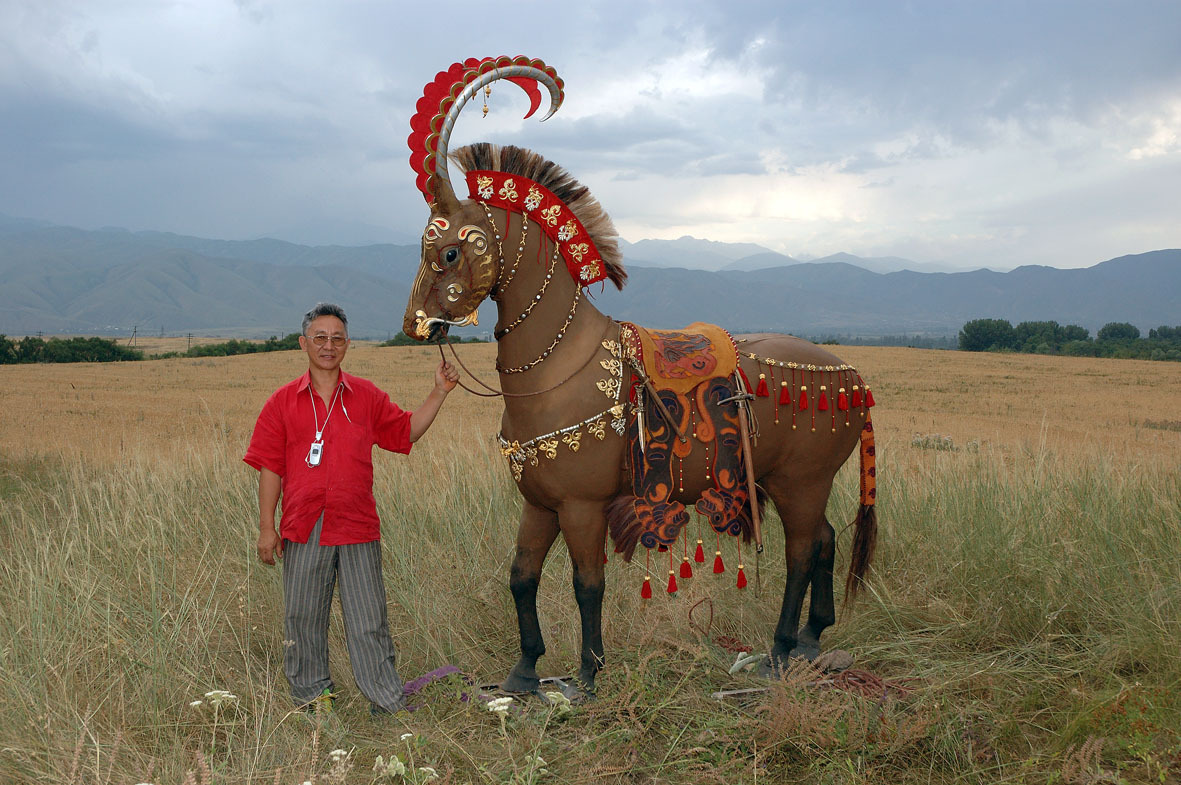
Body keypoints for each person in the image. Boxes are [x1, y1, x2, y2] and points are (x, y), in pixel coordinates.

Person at [243, 302, 458, 714]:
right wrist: (266, 528)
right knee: (303, 621)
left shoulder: (366, 397)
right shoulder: (282, 402)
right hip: (304, 526)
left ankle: (387, 705)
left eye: (337, 338)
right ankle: (314, 705)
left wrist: (438, 392)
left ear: (348, 345)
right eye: (320, 338)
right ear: (303, 343)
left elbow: (406, 431)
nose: (328, 345)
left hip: (357, 524)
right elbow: (270, 467)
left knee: (368, 623)